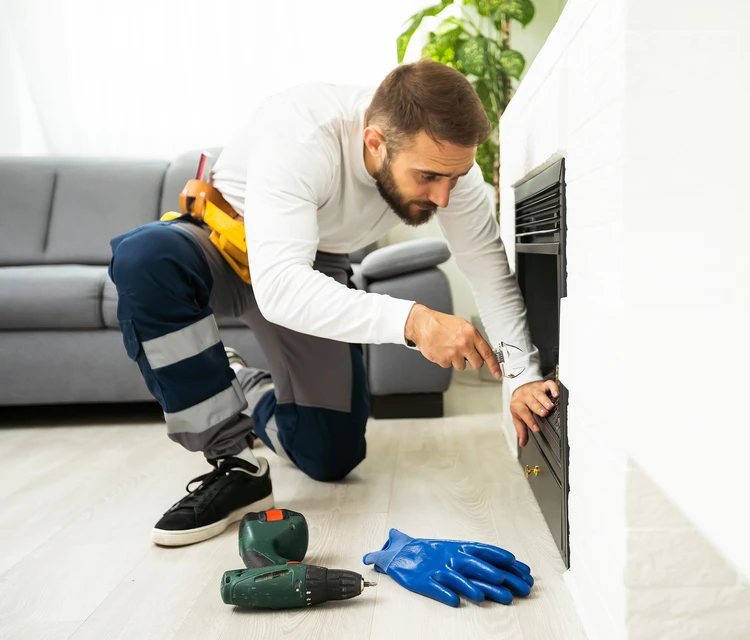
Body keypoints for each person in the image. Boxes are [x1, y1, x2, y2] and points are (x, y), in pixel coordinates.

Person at [108, 59, 560, 547]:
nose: (444, 198)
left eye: (455, 176)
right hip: (224, 241)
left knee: (330, 457)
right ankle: (234, 460)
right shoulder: (303, 134)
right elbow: (280, 286)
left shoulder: (449, 167)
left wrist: (521, 378)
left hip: (313, 266)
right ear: (374, 142)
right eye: (427, 177)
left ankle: (239, 379)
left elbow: (489, 272)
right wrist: (414, 321)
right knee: (144, 257)